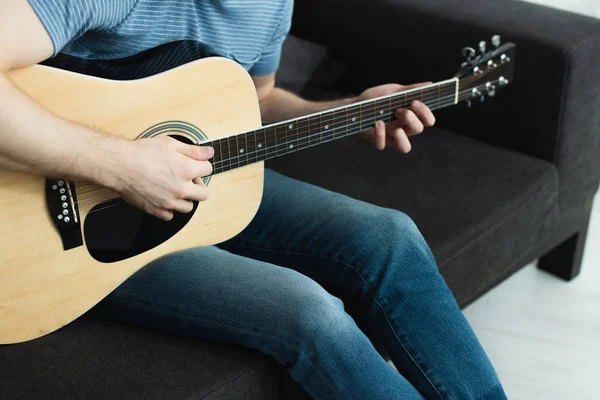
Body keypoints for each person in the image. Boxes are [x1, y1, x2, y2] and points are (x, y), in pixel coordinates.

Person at [0, 1, 507, 399]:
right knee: (310, 312)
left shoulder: (269, 4)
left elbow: (253, 101)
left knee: (390, 236)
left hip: (199, 182)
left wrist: (351, 111)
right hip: (56, 230)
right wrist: (123, 165)